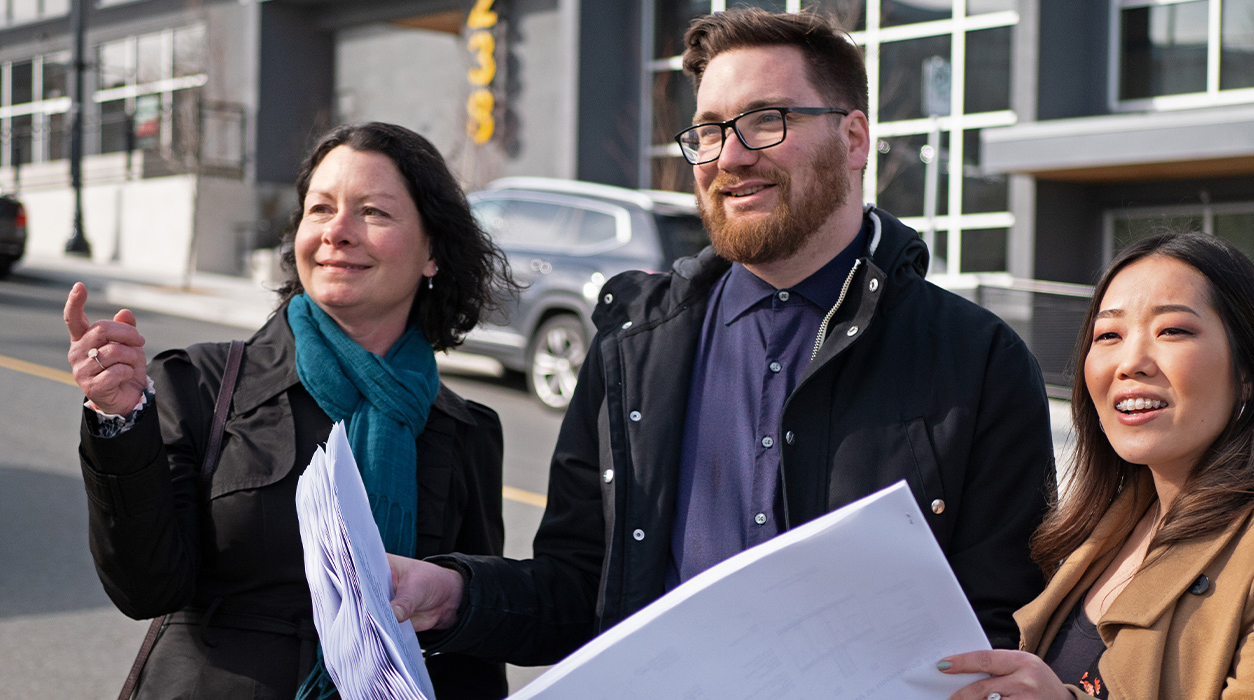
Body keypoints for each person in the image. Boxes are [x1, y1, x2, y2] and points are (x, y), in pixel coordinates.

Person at [385, 7, 1055, 666]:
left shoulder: (980, 361)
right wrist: (451, 595)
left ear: (854, 140)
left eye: (766, 120)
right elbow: (581, 592)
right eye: (707, 131)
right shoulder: (631, 347)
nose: (729, 156)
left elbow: (1000, 626)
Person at [63, 122, 514, 699]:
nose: (339, 233)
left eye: (373, 212)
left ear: (432, 252)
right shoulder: (199, 383)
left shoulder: (466, 431)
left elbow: (471, 647)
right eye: (320, 209)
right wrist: (118, 419)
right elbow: (145, 587)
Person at [938, 232, 1254, 699]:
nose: (1131, 362)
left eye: (1172, 331)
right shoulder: (1106, 527)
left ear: (1249, 372)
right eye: (1108, 335)